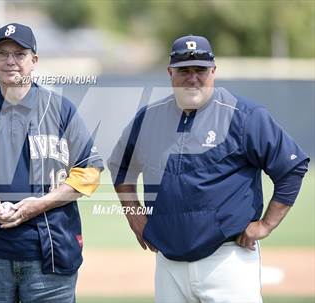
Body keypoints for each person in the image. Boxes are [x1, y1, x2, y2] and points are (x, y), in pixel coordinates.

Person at [108, 35, 309, 303]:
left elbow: (292, 165)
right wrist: (134, 216)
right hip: (169, 263)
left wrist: (265, 225)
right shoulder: (149, 118)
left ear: (213, 71)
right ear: (170, 72)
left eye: (200, 69)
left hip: (228, 259)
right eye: (184, 70)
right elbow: (121, 165)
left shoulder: (243, 115)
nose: (193, 78)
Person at [0, 23, 103, 303]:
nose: (11, 61)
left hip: (50, 258)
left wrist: (41, 204)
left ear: (34, 60)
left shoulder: (61, 110)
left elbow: (89, 171)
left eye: (20, 54)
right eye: (3, 53)